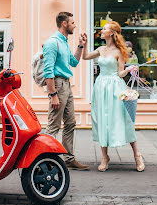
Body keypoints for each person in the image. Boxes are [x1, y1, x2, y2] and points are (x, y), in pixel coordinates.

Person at [82, 21, 145, 172]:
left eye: (104, 29)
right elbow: (85, 57)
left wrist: (130, 69)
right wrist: (84, 44)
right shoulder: (101, 49)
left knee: (123, 120)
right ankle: (105, 157)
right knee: (102, 120)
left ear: (111, 33)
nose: (101, 30)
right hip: (100, 87)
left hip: (116, 88)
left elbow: (120, 73)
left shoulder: (119, 51)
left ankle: (137, 155)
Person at [43, 11, 90, 171]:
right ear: (64, 24)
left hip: (66, 86)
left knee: (70, 123)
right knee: (53, 125)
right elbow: (48, 71)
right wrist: (53, 95)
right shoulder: (52, 42)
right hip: (58, 86)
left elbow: (74, 62)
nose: (75, 25)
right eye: (72, 23)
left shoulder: (64, 42)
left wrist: (81, 44)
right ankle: (43, 159)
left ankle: (69, 159)